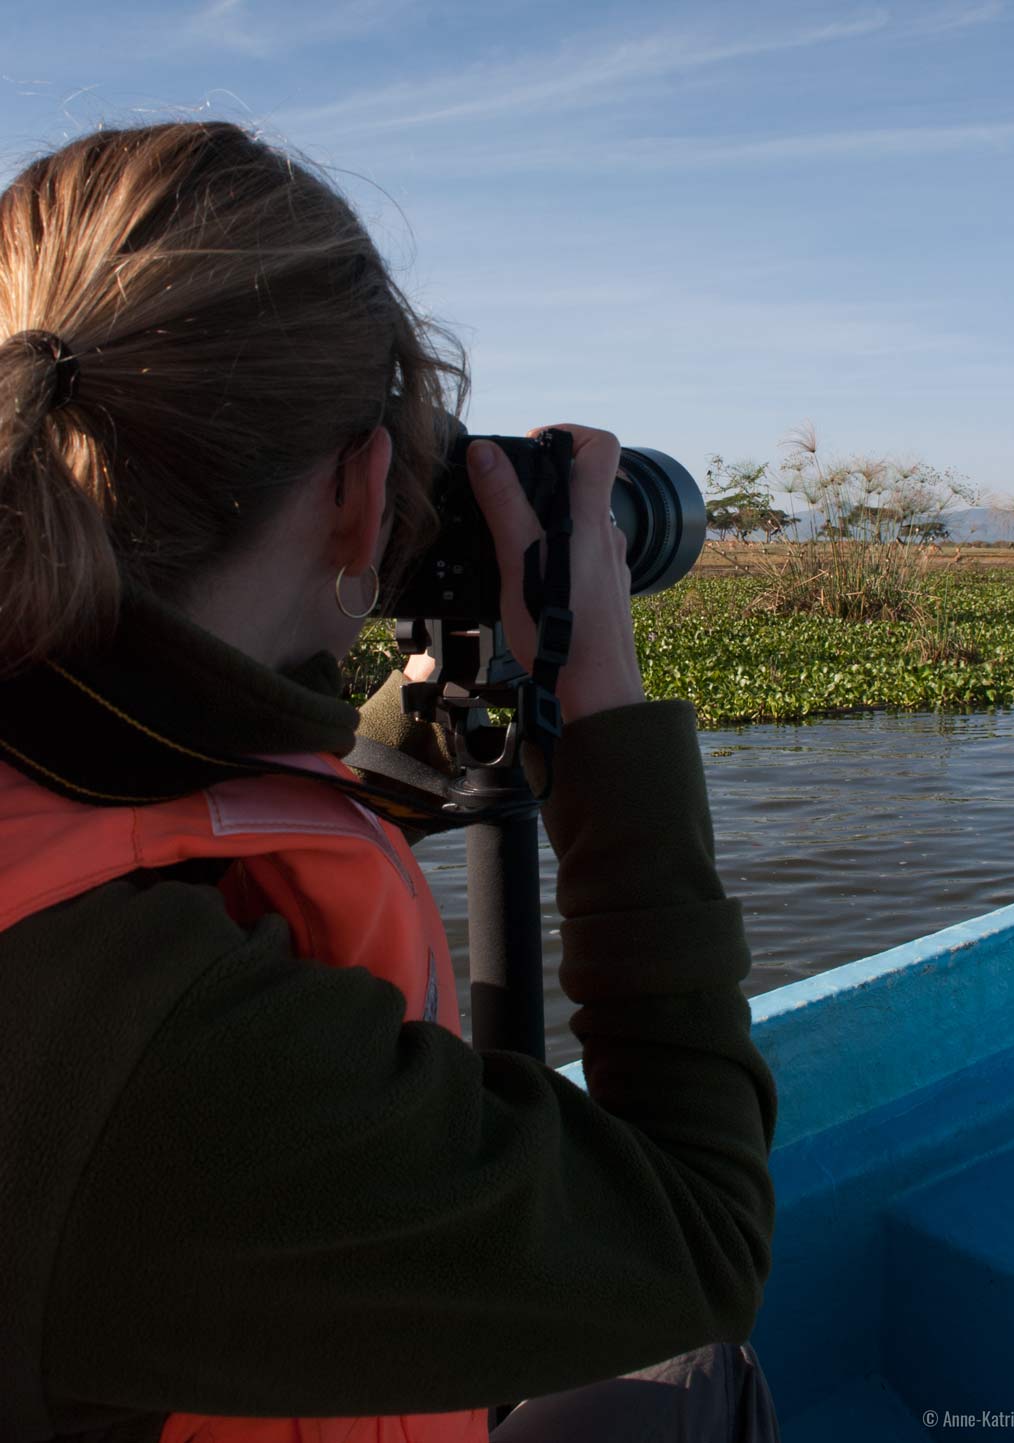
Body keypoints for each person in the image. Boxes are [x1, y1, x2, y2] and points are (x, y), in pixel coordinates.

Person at [0, 122, 779, 1442]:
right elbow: (700, 1235)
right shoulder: (148, 1054)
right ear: (368, 492)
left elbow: (254, 816)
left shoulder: (64, 726)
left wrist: (452, 671)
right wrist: (603, 718)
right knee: (703, 1376)